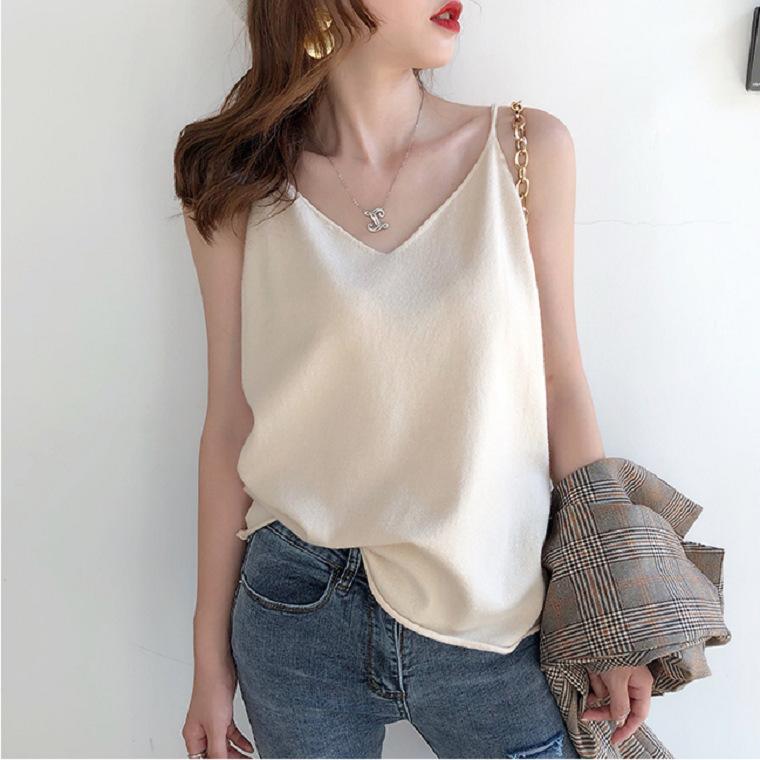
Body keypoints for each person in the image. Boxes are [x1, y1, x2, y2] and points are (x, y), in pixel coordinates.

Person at [174, 1, 654, 758]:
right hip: (297, 609)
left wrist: (610, 614)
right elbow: (230, 422)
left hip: (492, 614)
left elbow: (561, 384)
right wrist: (209, 659)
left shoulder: (525, 150)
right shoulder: (235, 178)